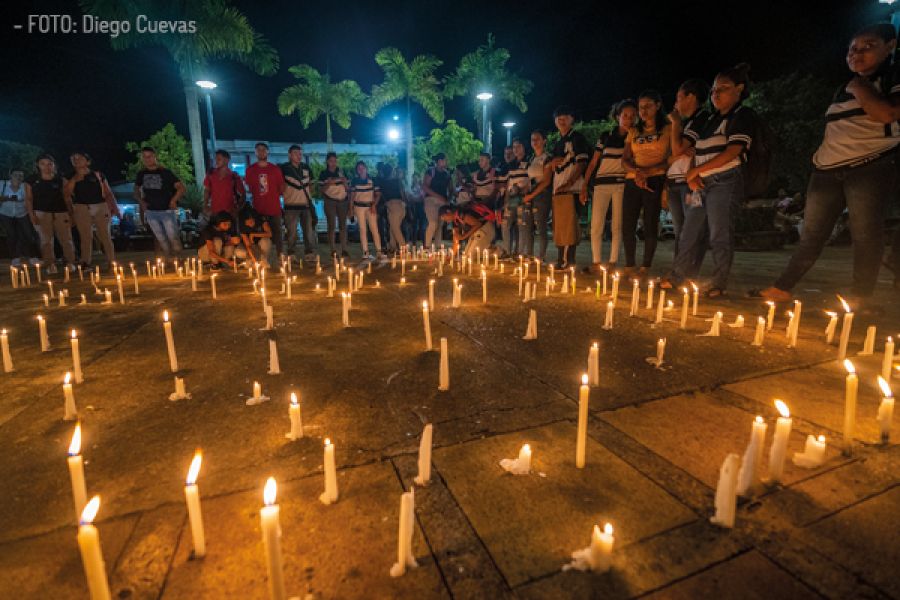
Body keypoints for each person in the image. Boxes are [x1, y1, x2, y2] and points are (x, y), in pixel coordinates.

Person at [756, 25, 900, 306]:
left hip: (868, 167)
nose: (857, 53)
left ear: (890, 46)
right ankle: (782, 287)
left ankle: (860, 296)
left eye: (867, 46)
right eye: (852, 49)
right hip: (826, 171)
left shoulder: (890, 77)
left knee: (865, 234)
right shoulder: (842, 88)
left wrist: (860, 87)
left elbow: (887, 113)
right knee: (811, 234)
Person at [663, 64, 758, 297]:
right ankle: (678, 276)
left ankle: (718, 281)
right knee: (689, 230)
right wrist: (693, 174)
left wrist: (696, 172)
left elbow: (733, 151)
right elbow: (696, 151)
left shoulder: (742, 116)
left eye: (722, 89)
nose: (715, 94)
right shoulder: (710, 120)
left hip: (725, 182)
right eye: (714, 89)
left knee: (719, 233)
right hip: (701, 185)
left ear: (739, 89)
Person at [525, 106, 590, 269]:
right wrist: (553, 163)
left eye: (565, 116)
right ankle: (562, 260)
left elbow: (582, 162)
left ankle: (570, 261)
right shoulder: (558, 144)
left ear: (571, 119)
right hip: (558, 189)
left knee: (569, 226)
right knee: (559, 227)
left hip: (571, 188)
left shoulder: (577, 138)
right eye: (558, 117)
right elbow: (554, 164)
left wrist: (570, 183)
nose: (561, 119)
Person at [581, 99, 637, 274]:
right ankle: (596, 262)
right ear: (618, 117)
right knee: (596, 224)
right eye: (625, 116)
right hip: (601, 184)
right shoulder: (606, 136)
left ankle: (612, 262)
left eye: (632, 116)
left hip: (621, 184)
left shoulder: (635, 137)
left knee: (617, 225)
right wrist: (584, 185)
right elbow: (593, 162)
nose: (628, 119)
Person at [621, 90, 671, 277]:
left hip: (656, 179)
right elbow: (625, 159)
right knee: (628, 223)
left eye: (648, 106)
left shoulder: (667, 129)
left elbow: (670, 159)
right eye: (641, 107)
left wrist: (648, 172)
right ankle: (629, 265)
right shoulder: (634, 131)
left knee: (650, 222)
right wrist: (637, 172)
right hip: (633, 180)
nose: (643, 111)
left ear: (658, 106)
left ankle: (646, 266)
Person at [666, 81, 711, 280]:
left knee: (692, 230)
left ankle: (686, 273)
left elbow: (677, 150)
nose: (676, 103)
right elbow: (671, 156)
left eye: (678, 97)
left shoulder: (701, 119)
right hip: (675, 182)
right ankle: (679, 272)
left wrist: (676, 123)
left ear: (691, 97)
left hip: (690, 182)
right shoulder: (689, 123)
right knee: (680, 231)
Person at [65, 151, 119, 270]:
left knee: (105, 234)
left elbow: (108, 192)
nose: (76, 160)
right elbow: (67, 193)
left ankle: (111, 261)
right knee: (85, 236)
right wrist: (75, 178)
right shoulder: (69, 176)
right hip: (81, 207)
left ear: (88, 161)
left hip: (100, 205)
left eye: (80, 158)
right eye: (74, 158)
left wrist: (115, 208)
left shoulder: (98, 174)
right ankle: (85, 261)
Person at [25, 154, 76, 272]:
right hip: (41, 213)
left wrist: (71, 213)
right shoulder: (31, 180)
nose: (46, 167)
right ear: (38, 165)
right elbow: (29, 199)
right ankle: (50, 264)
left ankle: (70, 262)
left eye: (49, 164)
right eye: (43, 164)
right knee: (46, 240)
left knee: (67, 239)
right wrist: (31, 214)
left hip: (61, 213)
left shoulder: (61, 179)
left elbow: (67, 197)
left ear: (54, 165)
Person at [134, 146, 186, 258]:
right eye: (145, 157)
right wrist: (141, 201)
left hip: (166, 210)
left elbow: (181, 188)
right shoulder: (141, 174)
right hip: (151, 211)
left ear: (154, 156)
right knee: (160, 238)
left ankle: (178, 258)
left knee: (173, 236)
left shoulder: (165, 173)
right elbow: (136, 189)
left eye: (149, 157)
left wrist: (173, 200)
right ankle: (168, 259)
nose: (147, 159)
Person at [244, 142, 285, 257]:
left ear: (268, 151)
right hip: (258, 210)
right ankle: (261, 259)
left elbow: (281, 187)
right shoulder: (250, 170)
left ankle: (281, 258)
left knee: (278, 236)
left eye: (263, 149)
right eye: (258, 150)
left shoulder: (275, 169)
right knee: (259, 235)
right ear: (255, 152)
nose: (261, 152)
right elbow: (249, 188)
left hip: (274, 208)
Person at [281, 144, 317, 262]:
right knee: (291, 232)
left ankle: (309, 253)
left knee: (308, 231)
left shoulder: (306, 167)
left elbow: (311, 183)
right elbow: (279, 186)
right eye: (296, 153)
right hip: (290, 206)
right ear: (290, 155)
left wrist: (309, 193)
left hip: (305, 205)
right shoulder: (284, 168)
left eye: (300, 153)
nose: (298, 156)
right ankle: (291, 253)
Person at [524, 130, 552, 262]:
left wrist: (532, 194)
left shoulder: (547, 158)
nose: (534, 142)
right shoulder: (531, 159)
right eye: (532, 139)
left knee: (541, 226)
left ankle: (541, 256)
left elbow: (546, 181)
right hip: (530, 195)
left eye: (537, 139)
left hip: (542, 195)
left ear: (544, 141)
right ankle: (529, 255)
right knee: (528, 225)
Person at [0, 168, 36, 267]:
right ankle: (15, 258)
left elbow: (30, 199)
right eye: (16, 175)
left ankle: (32, 256)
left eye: (21, 175)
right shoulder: (2, 184)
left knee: (28, 234)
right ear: (10, 175)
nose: (19, 177)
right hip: (5, 213)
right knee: (11, 235)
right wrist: (8, 198)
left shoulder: (25, 186)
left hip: (22, 213)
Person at [503, 138, 531, 257]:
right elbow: (508, 183)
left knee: (521, 225)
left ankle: (519, 253)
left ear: (524, 147)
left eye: (518, 146)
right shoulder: (511, 165)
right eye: (514, 147)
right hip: (511, 198)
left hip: (523, 197)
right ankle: (507, 251)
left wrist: (521, 188)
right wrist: (506, 200)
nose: (515, 149)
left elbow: (530, 180)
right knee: (505, 224)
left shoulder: (529, 162)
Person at [318, 152, 350, 258]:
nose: (333, 163)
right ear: (327, 161)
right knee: (331, 225)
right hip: (330, 201)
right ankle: (333, 249)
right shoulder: (323, 173)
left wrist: (344, 181)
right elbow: (321, 190)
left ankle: (344, 249)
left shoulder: (342, 171)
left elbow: (347, 188)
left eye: (335, 161)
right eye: (331, 161)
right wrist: (329, 183)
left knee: (343, 226)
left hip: (342, 201)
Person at [349, 161, 384, 259]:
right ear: (357, 170)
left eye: (362, 168)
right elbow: (352, 196)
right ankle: (365, 252)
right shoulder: (354, 181)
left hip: (370, 206)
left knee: (374, 228)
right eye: (358, 168)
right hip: (359, 207)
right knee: (362, 229)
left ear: (366, 168)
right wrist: (351, 210)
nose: (361, 170)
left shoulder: (372, 180)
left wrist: (374, 205)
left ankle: (379, 251)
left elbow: (378, 194)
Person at [203, 149, 245, 220]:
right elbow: (206, 190)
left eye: (219, 159)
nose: (216, 161)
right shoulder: (211, 174)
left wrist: (237, 209)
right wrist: (205, 205)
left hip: (230, 213)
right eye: (215, 159)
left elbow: (243, 194)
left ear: (226, 160)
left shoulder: (234, 176)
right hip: (214, 213)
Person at [422, 153, 452, 248]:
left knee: (439, 225)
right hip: (431, 200)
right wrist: (438, 196)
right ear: (439, 161)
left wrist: (448, 199)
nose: (446, 162)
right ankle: (426, 246)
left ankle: (438, 247)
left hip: (442, 202)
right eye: (445, 160)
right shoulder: (431, 171)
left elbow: (451, 189)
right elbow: (425, 187)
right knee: (433, 223)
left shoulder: (447, 174)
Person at [377, 163, 407, 253]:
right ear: (392, 171)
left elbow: (380, 195)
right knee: (393, 227)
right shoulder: (397, 181)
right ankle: (392, 246)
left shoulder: (382, 182)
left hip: (392, 205)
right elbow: (402, 193)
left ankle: (403, 248)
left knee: (395, 228)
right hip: (401, 206)